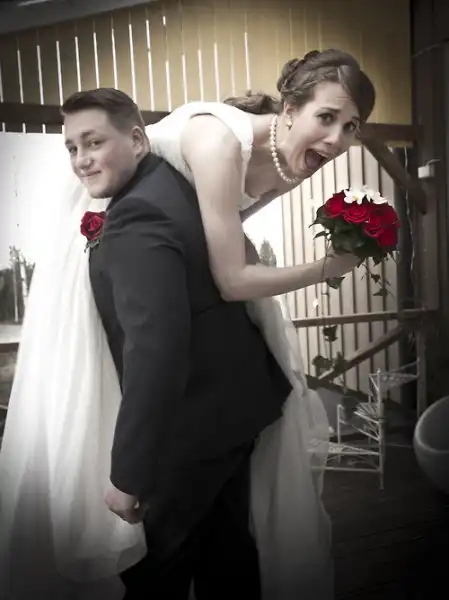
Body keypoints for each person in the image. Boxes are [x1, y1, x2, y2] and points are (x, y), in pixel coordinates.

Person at [0, 48, 375, 600]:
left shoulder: (147, 210)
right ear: (290, 110)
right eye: (74, 147)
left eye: (350, 127)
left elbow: (159, 346)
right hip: (228, 404)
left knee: (167, 571)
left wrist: (128, 475)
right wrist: (326, 268)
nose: (338, 138)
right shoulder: (194, 164)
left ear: (137, 140)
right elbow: (219, 273)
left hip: (198, 417)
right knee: (227, 554)